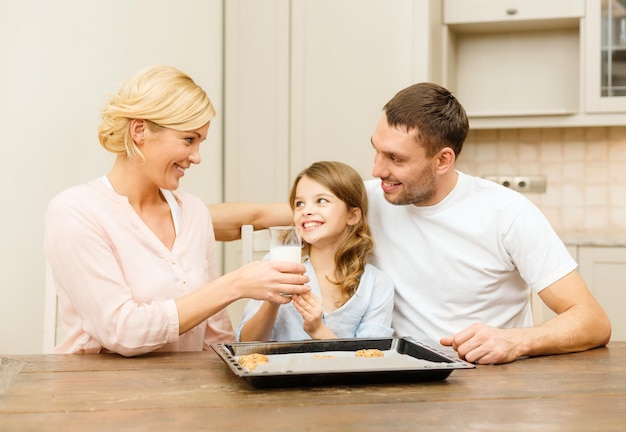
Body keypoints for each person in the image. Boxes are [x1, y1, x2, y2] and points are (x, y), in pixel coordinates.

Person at [210, 82, 611, 365]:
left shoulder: (507, 213)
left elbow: (592, 320)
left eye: (396, 159)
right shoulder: (366, 200)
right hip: (396, 379)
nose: (377, 170)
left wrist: (516, 341)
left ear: (443, 161)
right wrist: (161, 215)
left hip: (486, 381)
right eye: (377, 151)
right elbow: (256, 217)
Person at [44, 65, 310, 357]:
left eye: (200, 142)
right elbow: (121, 331)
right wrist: (236, 284)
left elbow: (215, 338)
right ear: (140, 130)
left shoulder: (193, 212)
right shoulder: (75, 211)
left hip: (185, 393)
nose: (196, 157)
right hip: (98, 394)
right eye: (188, 139)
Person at [237, 161, 395, 342]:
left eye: (321, 201)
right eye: (299, 204)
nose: (307, 211)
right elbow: (246, 345)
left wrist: (318, 331)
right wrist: (271, 303)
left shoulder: (376, 285)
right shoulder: (275, 266)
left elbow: (371, 360)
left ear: (352, 215)